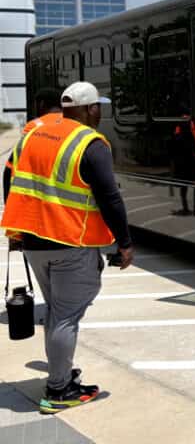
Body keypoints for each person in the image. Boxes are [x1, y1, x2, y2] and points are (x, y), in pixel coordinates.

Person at [1, 81, 134, 414]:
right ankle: (59, 390)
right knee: (65, 317)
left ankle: (61, 375)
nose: (100, 112)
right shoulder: (90, 143)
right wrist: (125, 243)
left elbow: (9, 179)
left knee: (57, 312)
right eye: (98, 107)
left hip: (33, 242)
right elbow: (110, 197)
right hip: (70, 242)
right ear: (89, 109)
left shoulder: (34, 133)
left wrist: (17, 229)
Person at [4, 88, 63, 250]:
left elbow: (10, 173)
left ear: (41, 104)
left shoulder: (34, 126)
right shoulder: (75, 124)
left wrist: (14, 232)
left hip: (38, 217)